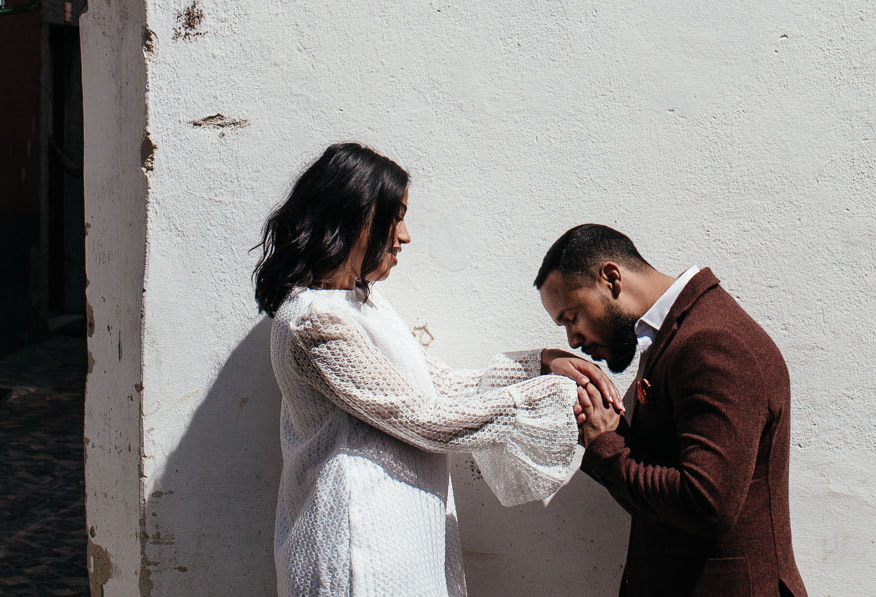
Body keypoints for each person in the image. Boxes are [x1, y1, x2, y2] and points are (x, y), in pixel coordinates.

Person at [255, 144, 618, 597]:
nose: (404, 236)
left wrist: (541, 363)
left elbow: (441, 387)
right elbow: (426, 420)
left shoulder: (365, 306)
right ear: (355, 218)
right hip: (356, 545)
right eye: (397, 216)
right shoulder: (314, 321)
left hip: (400, 537)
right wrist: (550, 398)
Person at [537, 225, 809, 596]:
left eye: (571, 317)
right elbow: (668, 482)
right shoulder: (675, 334)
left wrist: (606, 445)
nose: (573, 339)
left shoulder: (712, 342)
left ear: (611, 278)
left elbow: (704, 501)